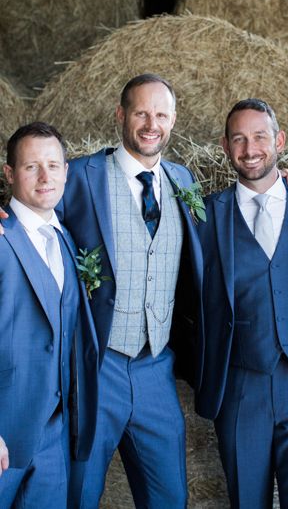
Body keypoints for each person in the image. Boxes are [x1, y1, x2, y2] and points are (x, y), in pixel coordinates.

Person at [57, 74, 204, 508]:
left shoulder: (184, 181)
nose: (150, 123)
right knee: (78, 496)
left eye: (160, 114)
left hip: (156, 368)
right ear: (121, 115)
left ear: (173, 121)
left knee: (170, 498)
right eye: (140, 112)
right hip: (97, 368)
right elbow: (36, 224)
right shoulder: (80, 175)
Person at [195, 99, 288, 508]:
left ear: (280, 140)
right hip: (240, 384)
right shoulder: (205, 215)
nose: (250, 148)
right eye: (239, 138)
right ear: (224, 146)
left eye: (259, 136)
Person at [0, 122, 98, 507]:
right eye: (31, 167)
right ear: (9, 174)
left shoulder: (66, 237)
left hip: (55, 433)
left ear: (66, 172)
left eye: (53, 166)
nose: (45, 177)